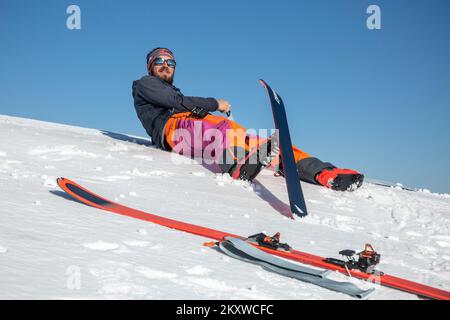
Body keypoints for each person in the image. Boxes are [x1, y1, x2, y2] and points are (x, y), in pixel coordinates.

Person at [132, 47, 364, 191]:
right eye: (160, 62)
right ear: (150, 66)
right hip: (172, 131)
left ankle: (324, 173)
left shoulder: (170, 89)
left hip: (193, 127)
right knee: (222, 127)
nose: (165, 66)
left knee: (257, 141)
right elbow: (175, 102)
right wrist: (215, 103)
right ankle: (236, 165)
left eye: (170, 63)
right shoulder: (144, 84)